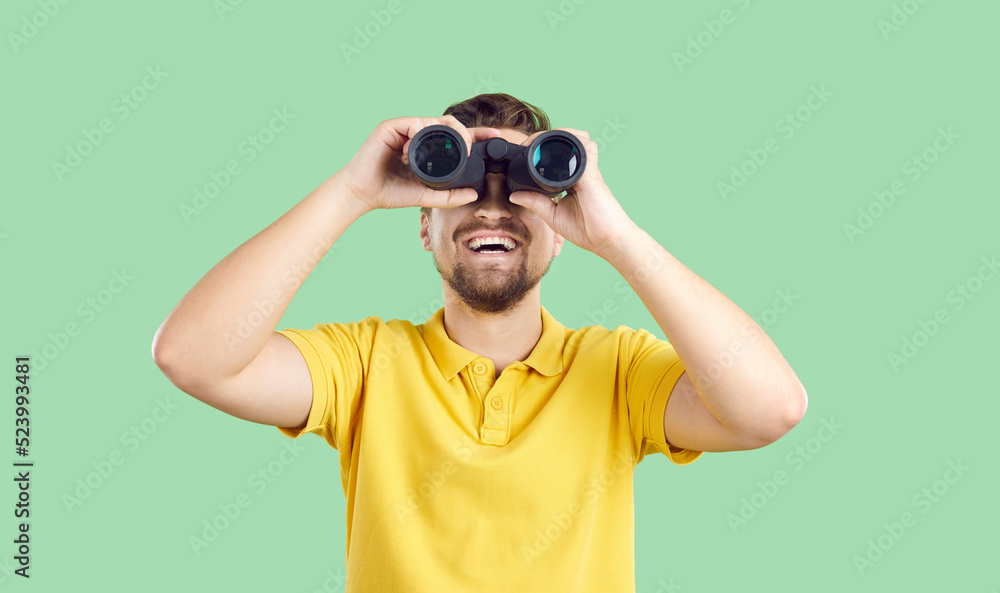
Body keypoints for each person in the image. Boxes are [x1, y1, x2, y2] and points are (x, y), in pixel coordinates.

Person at [152, 93, 807, 592]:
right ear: (423, 225)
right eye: (460, 187)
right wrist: (353, 191)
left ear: (561, 226)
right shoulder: (365, 365)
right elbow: (193, 356)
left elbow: (771, 408)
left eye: (524, 189)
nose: (493, 207)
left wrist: (617, 236)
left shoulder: (617, 370)